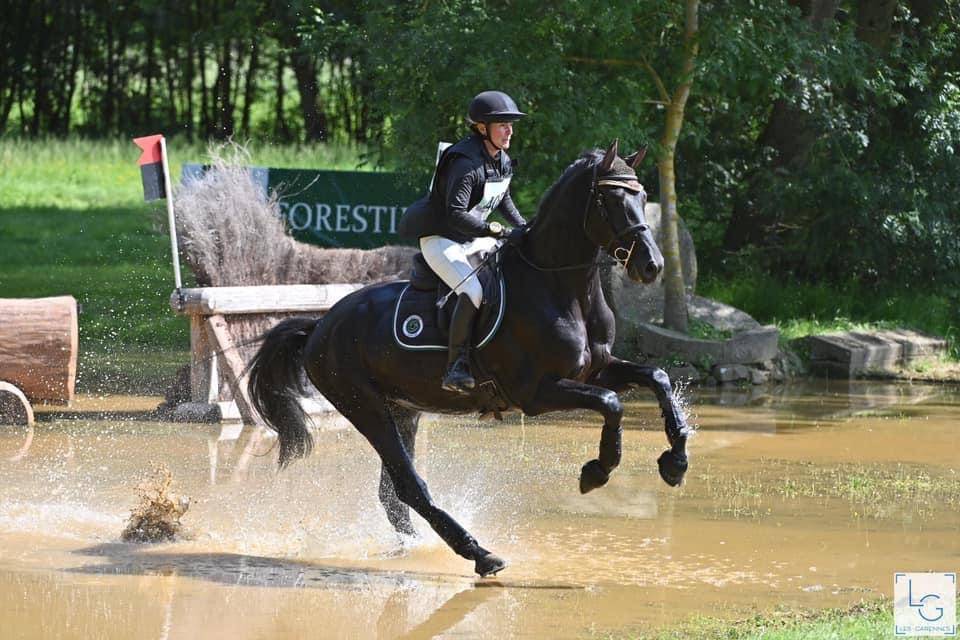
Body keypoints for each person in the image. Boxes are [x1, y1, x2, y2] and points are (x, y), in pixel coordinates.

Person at [399, 90, 528, 393]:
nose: (509, 130)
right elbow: (455, 214)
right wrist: (494, 231)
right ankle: (455, 366)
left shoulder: (501, 159)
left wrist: (524, 227)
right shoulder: (464, 162)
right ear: (482, 128)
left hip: (472, 238)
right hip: (443, 239)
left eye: (511, 124)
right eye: (502, 125)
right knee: (473, 289)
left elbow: (504, 197)